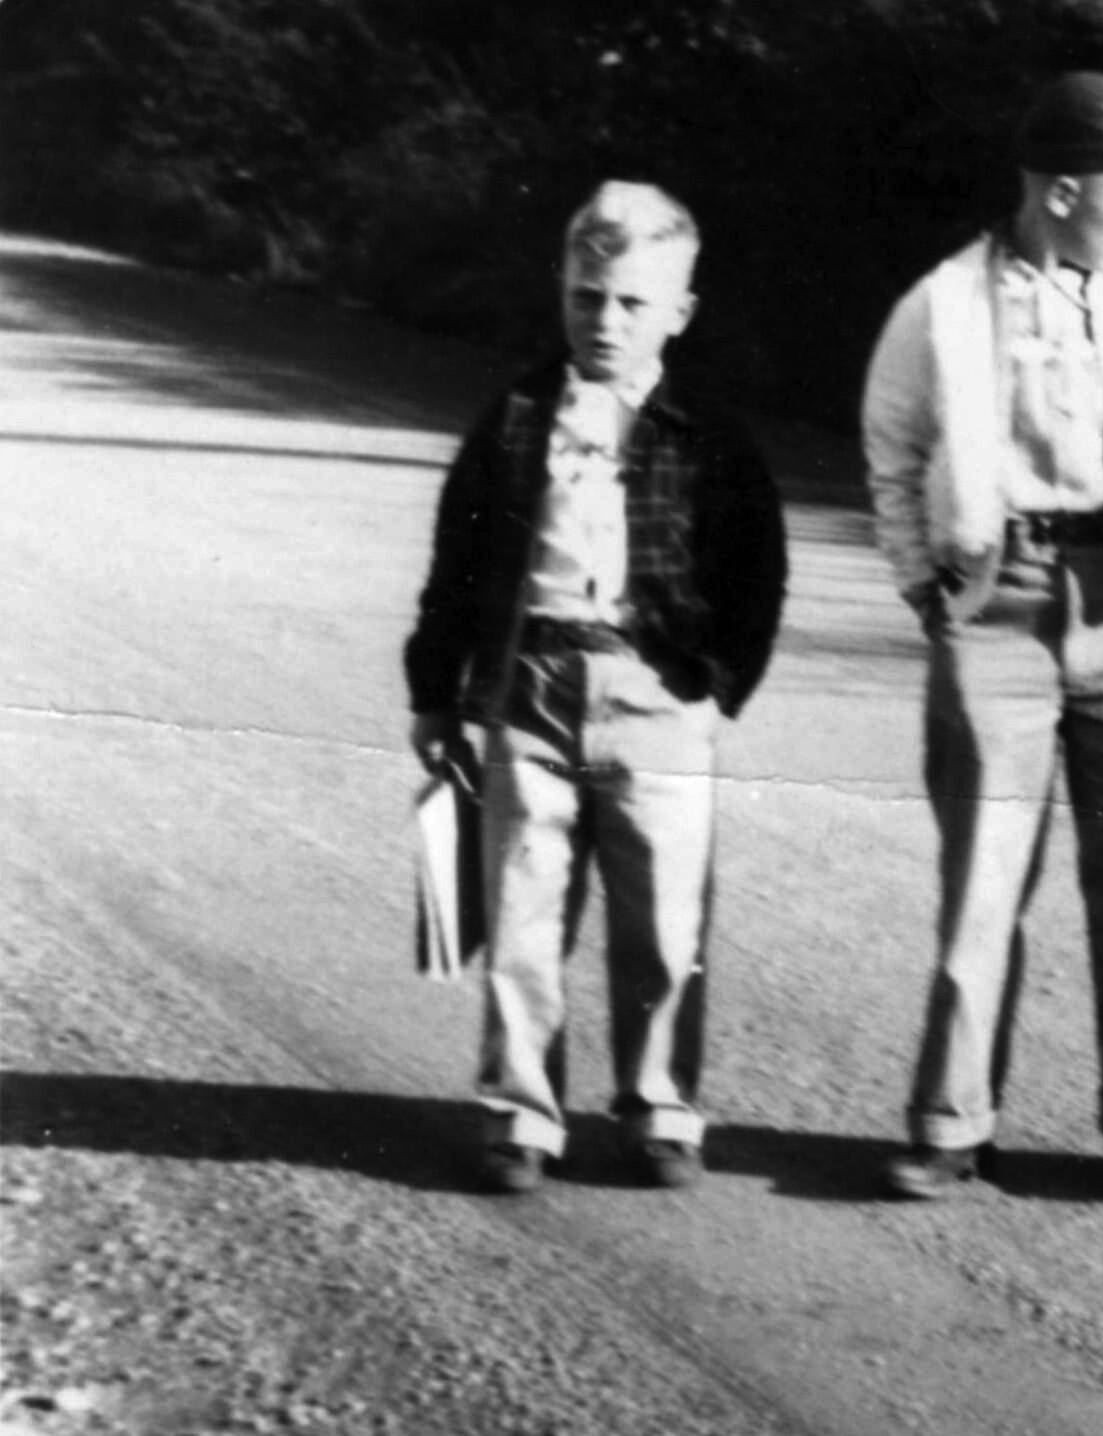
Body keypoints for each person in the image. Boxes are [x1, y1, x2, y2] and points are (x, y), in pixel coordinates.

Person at [862, 72, 1103, 1199]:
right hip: (999, 602)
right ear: (1066, 192)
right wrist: (927, 585)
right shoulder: (943, 303)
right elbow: (891, 446)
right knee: (983, 874)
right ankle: (949, 1118)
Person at [405, 180, 788, 1193]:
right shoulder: (518, 417)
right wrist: (434, 691)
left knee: (662, 920)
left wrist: (718, 686)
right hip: (527, 683)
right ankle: (519, 1109)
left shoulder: (707, 433)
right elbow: (457, 562)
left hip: (655, 691)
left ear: (678, 311)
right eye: (586, 296)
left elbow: (756, 572)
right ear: (560, 291)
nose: (604, 321)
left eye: (629, 302)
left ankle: (659, 1102)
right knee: (525, 910)